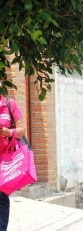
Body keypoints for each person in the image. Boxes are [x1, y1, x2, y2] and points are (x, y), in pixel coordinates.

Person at [0, 95, 26, 231]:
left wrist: (8, 132)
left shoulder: (9, 104)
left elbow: (22, 130)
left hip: (5, 158)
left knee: (1, 195)